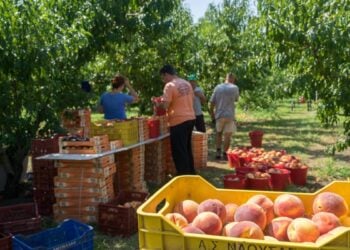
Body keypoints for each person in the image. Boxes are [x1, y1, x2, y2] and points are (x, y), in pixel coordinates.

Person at [157, 64, 196, 175]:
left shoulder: (169, 86)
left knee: (179, 150)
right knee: (187, 148)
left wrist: (157, 103)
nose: (163, 80)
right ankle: (191, 172)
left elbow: (165, 106)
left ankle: (183, 175)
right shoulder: (186, 83)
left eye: (163, 77)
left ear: (166, 74)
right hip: (190, 118)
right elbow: (191, 99)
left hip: (178, 120)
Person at [209, 73, 239, 160]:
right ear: (232, 79)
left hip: (219, 114)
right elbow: (236, 99)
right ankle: (225, 153)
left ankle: (218, 152)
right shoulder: (235, 88)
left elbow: (212, 102)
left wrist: (212, 114)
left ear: (225, 78)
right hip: (230, 115)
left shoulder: (218, 87)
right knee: (227, 135)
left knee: (218, 133)